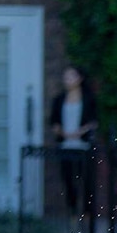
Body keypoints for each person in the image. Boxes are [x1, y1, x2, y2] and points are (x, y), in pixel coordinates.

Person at [50, 65, 98, 213]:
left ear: (79, 79)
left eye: (71, 76)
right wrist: (61, 132)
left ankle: (88, 215)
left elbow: (94, 121)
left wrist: (80, 131)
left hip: (83, 146)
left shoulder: (88, 98)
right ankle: (72, 214)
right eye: (66, 77)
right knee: (69, 181)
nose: (67, 80)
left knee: (86, 181)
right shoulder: (59, 99)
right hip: (65, 146)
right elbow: (54, 121)